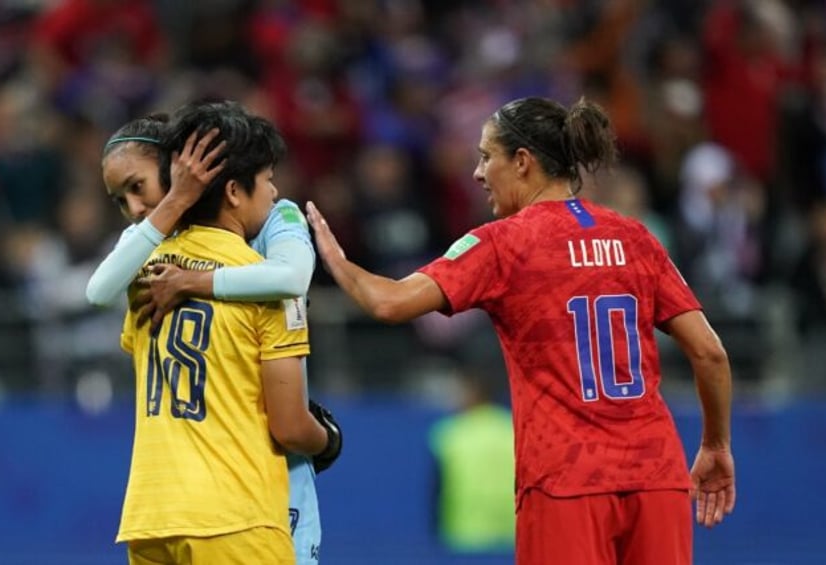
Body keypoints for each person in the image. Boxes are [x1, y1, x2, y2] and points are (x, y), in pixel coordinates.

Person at [306, 96, 736, 565]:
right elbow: (710, 353)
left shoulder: (502, 244)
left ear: (523, 162)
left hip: (565, 480)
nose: (477, 172)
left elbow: (389, 302)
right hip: (657, 474)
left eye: (486, 156)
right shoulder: (636, 238)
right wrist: (715, 444)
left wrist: (336, 262)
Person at [86, 105, 339, 564]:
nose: (135, 210)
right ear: (237, 190)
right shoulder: (255, 276)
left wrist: (194, 279)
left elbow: (100, 291)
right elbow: (288, 424)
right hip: (237, 512)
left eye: (138, 188)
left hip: (152, 514)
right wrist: (330, 440)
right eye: (267, 179)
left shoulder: (147, 275)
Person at [428, 368, 515, 553]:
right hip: (511, 534)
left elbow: (437, 488)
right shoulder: (512, 428)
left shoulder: (449, 433)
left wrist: (436, 531)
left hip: (465, 535)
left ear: (474, 393)